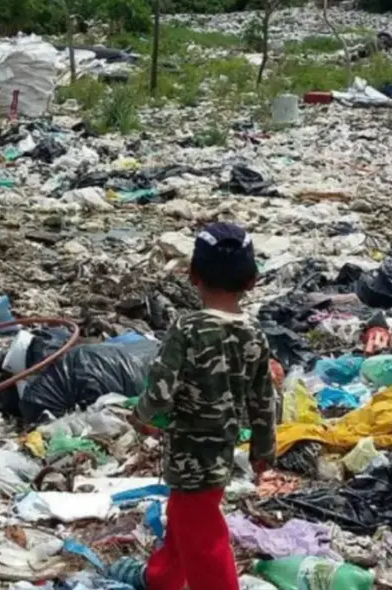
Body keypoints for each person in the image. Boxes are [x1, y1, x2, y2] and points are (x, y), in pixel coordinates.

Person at [108, 222, 277, 590]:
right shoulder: (254, 334)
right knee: (186, 514)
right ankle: (161, 578)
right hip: (222, 446)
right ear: (252, 281)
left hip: (189, 447)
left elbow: (161, 388)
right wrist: (264, 448)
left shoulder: (187, 329)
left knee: (201, 529)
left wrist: (141, 417)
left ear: (192, 275)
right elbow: (263, 397)